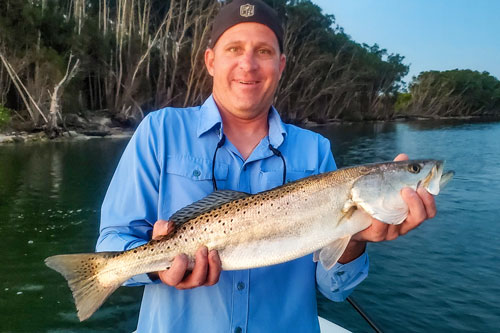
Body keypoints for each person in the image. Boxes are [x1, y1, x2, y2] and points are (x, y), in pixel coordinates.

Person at [96, 0, 437, 332]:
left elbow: (335, 289)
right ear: (211, 60)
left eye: (263, 51)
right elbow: (112, 240)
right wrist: (158, 269)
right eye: (234, 49)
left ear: (281, 64)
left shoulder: (316, 150)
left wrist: (356, 240)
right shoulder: (160, 131)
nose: (248, 64)